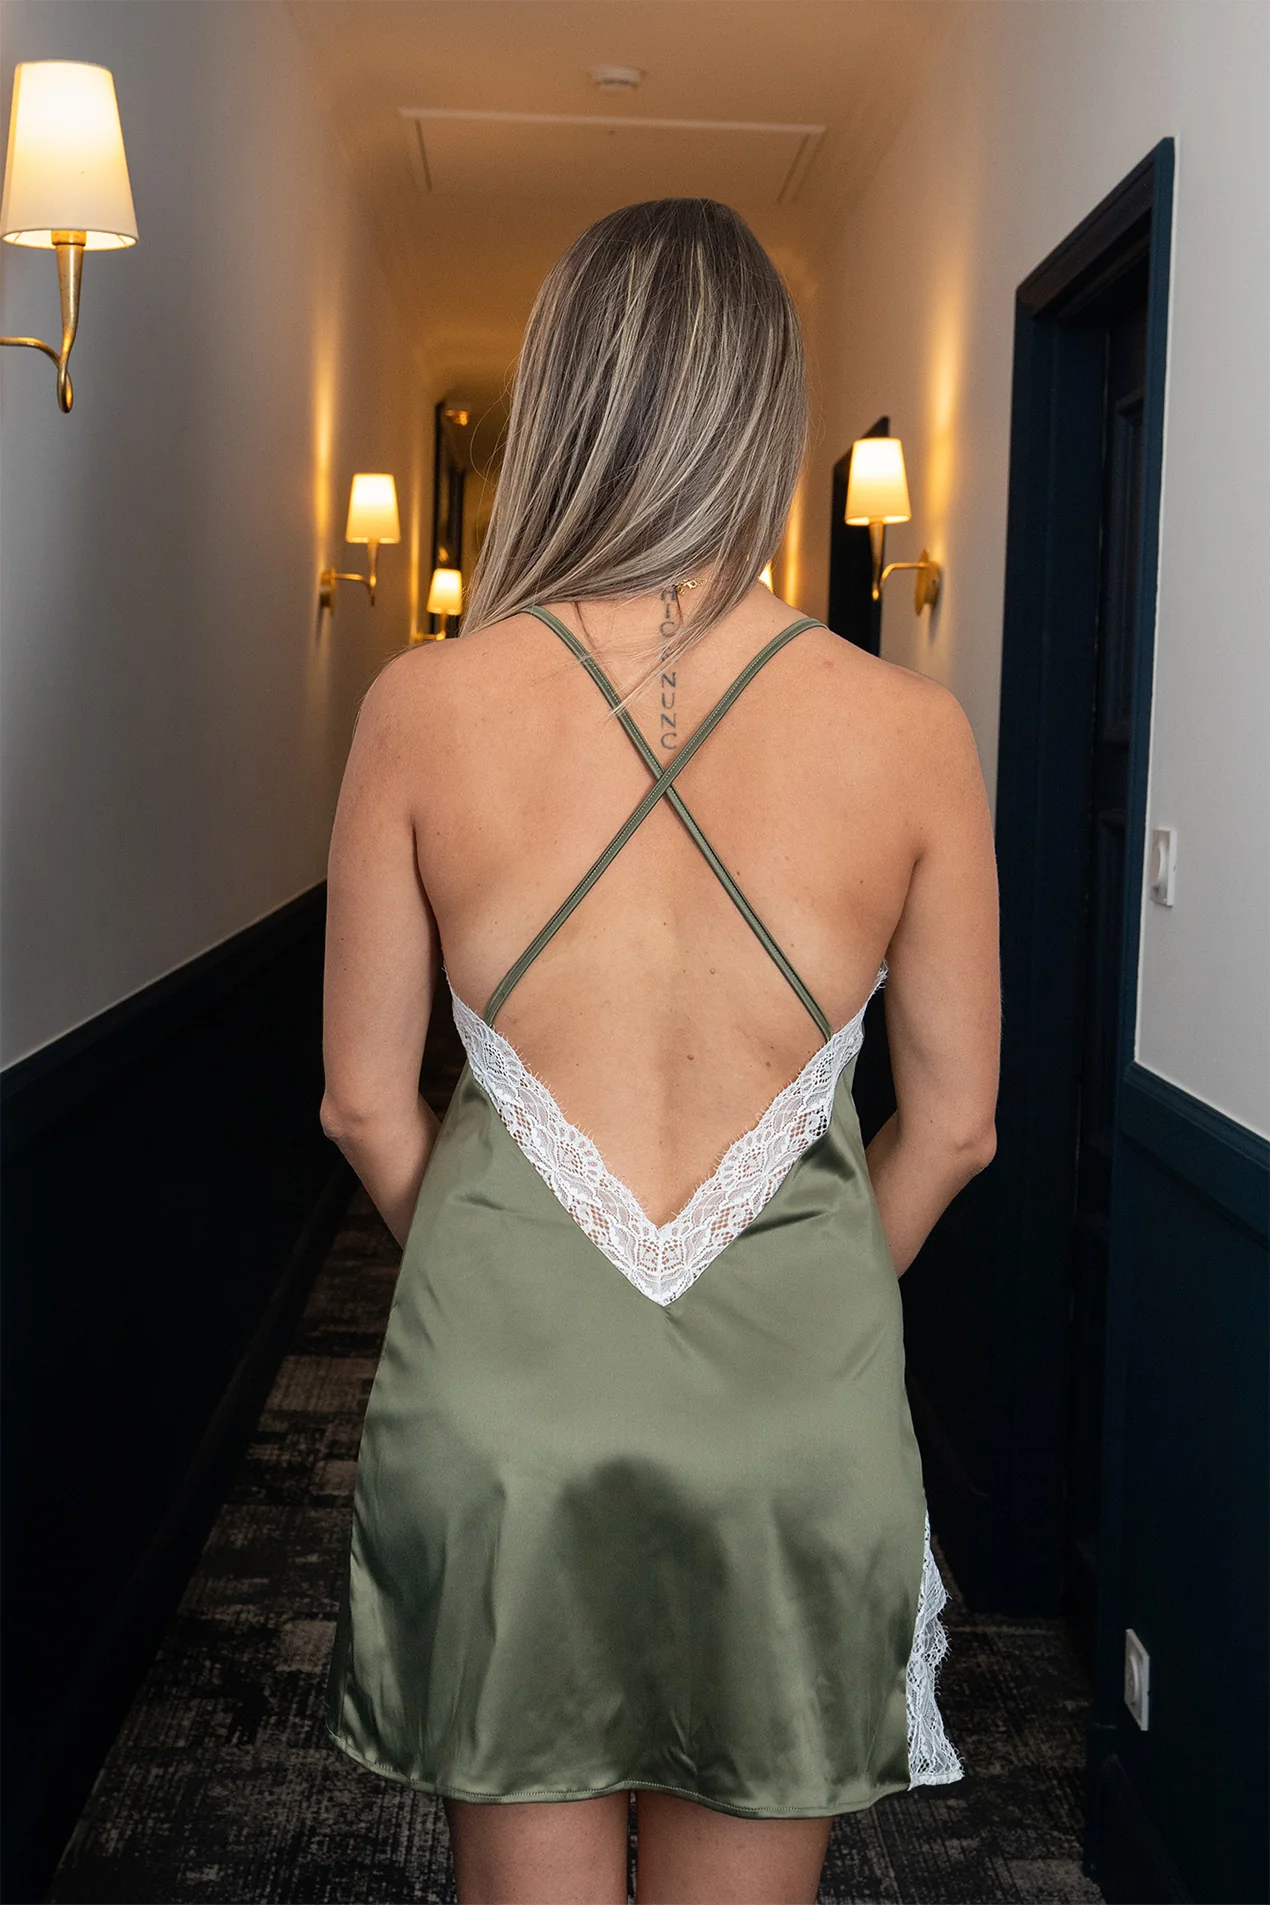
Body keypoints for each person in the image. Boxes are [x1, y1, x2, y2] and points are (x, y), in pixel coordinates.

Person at [320, 197, 1000, 1905]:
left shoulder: (422, 707)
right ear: (762, 413)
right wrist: (799, 1300)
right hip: (791, 1418)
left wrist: (512, 1273)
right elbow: (953, 1128)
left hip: (503, 1409)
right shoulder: (911, 732)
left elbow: (362, 1105)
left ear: (566, 399)